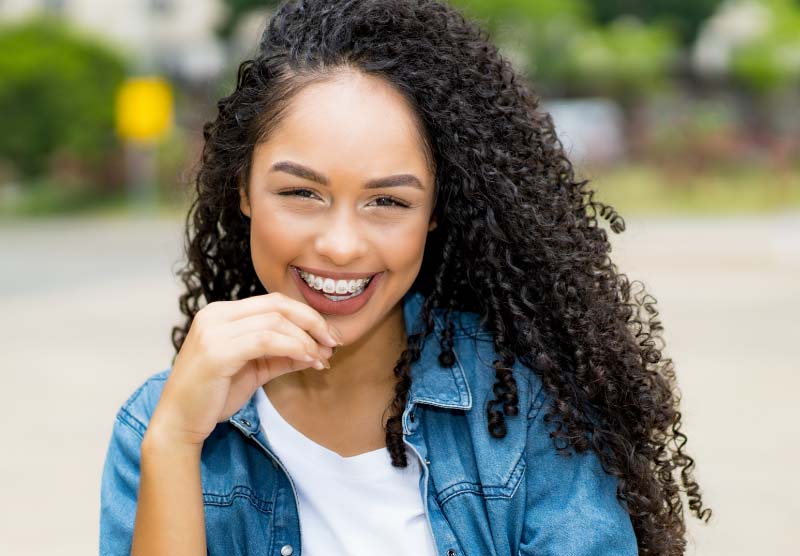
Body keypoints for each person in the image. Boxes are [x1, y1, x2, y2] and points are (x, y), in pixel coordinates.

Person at [99, 1, 712, 555]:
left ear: (435, 212)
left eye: (387, 202)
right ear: (244, 191)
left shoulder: (528, 409)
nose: (340, 246)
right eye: (300, 192)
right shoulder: (160, 422)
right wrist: (176, 441)